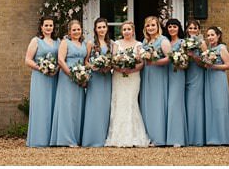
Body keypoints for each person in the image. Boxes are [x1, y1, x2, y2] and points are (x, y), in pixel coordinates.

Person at [104, 20, 152, 147]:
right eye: (124, 29)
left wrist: (131, 69)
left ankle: (134, 136)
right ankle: (117, 136)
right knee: (119, 102)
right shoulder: (116, 44)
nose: (126, 32)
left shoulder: (139, 44)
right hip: (119, 76)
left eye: (129, 29)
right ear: (121, 31)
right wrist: (120, 68)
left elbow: (142, 63)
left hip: (133, 76)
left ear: (133, 31)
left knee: (131, 102)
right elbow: (113, 60)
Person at [49, 19, 87, 146]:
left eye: (78, 29)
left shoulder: (84, 44)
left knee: (77, 106)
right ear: (69, 32)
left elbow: (86, 61)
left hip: (80, 78)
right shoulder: (65, 42)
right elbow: (60, 60)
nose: (76, 32)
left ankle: (77, 137)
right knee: (67, 106)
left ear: (81, 31)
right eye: (74, 30)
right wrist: (72, 75)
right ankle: (66, 138)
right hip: (67, 77)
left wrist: (83, 77)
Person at [24, 16, 59, 147]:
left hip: (54, 77)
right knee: (41, 106)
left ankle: (52, 139)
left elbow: (60, 58)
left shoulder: (57, 42)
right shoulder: (36, 41)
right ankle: (39, 139)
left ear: (54, 27)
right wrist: (41, 68)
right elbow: (28, 60)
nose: (48, 28)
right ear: (41, 27)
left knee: (53, 105)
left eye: (51, 25)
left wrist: (56, 69)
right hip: (40, 77)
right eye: (46, 25)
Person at [81, 18, 113, 147]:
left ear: (107, 28)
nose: (101, 30)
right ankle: (92, 138)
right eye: (99, 27)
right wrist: (93, 66)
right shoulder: (90, 43)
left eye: (103, 27)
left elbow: (113, 60)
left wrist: (108, 66)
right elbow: (86, 61)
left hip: (106, 78)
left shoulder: (111, 43)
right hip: (95, 78)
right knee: (94, 106)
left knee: (106, 106)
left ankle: (105, 137)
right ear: (95, 29)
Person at [138, 15, 170, 146]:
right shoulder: (144, 42)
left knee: (157, 104)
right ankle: (148, 136)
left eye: (153, 25)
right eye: (148, 25)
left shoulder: (163, 40)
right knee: (147, 103)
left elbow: (169, 58)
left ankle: (159, 137)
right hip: (146, 74)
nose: (150, 28)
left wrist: (155, 61)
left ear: (158, 27)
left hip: (158, 74)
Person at [202, 25, 229, 146]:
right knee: (212, 106)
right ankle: (213, 137)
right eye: (208, 35)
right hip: (209, 78)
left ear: (218, 36)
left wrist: (213, 66)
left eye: (212, 35)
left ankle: (223, 137)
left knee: (220, 106)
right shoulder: (209, 49)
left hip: (218, 79)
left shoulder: (222, 48)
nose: (210, 37)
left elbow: (228, 65)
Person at [163, 18, 187, 147]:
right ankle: (167, 136)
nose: (172, 29)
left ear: (179, 28)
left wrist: (180, 61)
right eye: (170, 27)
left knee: (174, 105)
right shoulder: (165, 41)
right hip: (164, 74)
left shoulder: (183, 42)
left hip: (177, 74)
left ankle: (177, 138)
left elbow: (186, 62)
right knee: (166, 105)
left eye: (174, 26)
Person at [184, 19, 207, 146]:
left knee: (195, 104)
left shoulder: (202, 43)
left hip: (197, 74)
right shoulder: (184, 42)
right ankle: (187, 136)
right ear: (187, 29)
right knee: (187, 104)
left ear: (198, 30)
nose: (192, 30)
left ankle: (196, 137)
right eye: (190, 28)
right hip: (186, 74)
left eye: (194, 28)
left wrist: (193, 56)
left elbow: (206, 62)